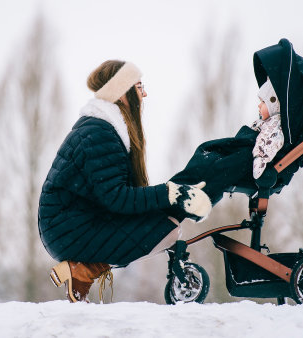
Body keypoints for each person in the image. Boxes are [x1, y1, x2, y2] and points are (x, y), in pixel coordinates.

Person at [38, 60, 213, 303]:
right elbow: (118, 197)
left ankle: (83, 271)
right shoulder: (100, 134)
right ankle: (82, 270)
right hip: (69, 230)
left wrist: (169, 195)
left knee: (162, 224)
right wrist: (170, 193)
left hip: (72, 225)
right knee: (167, 228)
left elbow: (116, 196)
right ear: (122, 93)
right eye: (139, 86)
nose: (145, 93)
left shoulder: (102, 130)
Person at [250, 77, 284, 179]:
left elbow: (267, 141)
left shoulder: (274, 124)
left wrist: (260, 160)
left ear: (274, 103)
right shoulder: (267, 121)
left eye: (263, 102)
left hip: (252, 158)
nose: (259, 105)